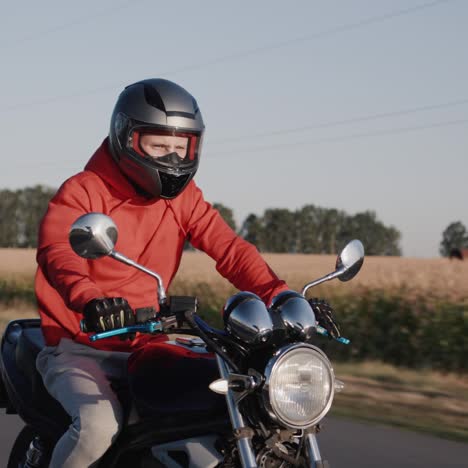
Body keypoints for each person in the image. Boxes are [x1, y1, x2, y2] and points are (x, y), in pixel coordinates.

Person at [35, 78, 339, 467]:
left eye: (183, 146)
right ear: (126, 137)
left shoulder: (184, 197)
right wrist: (90, 299)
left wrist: (281, 295)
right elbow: (59, 251)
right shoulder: (84, 191)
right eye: (160, 145)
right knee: (98, 427)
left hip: (149, 340)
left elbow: (229, 249)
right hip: (81, 343)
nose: (174, 157)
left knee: (231, 402)